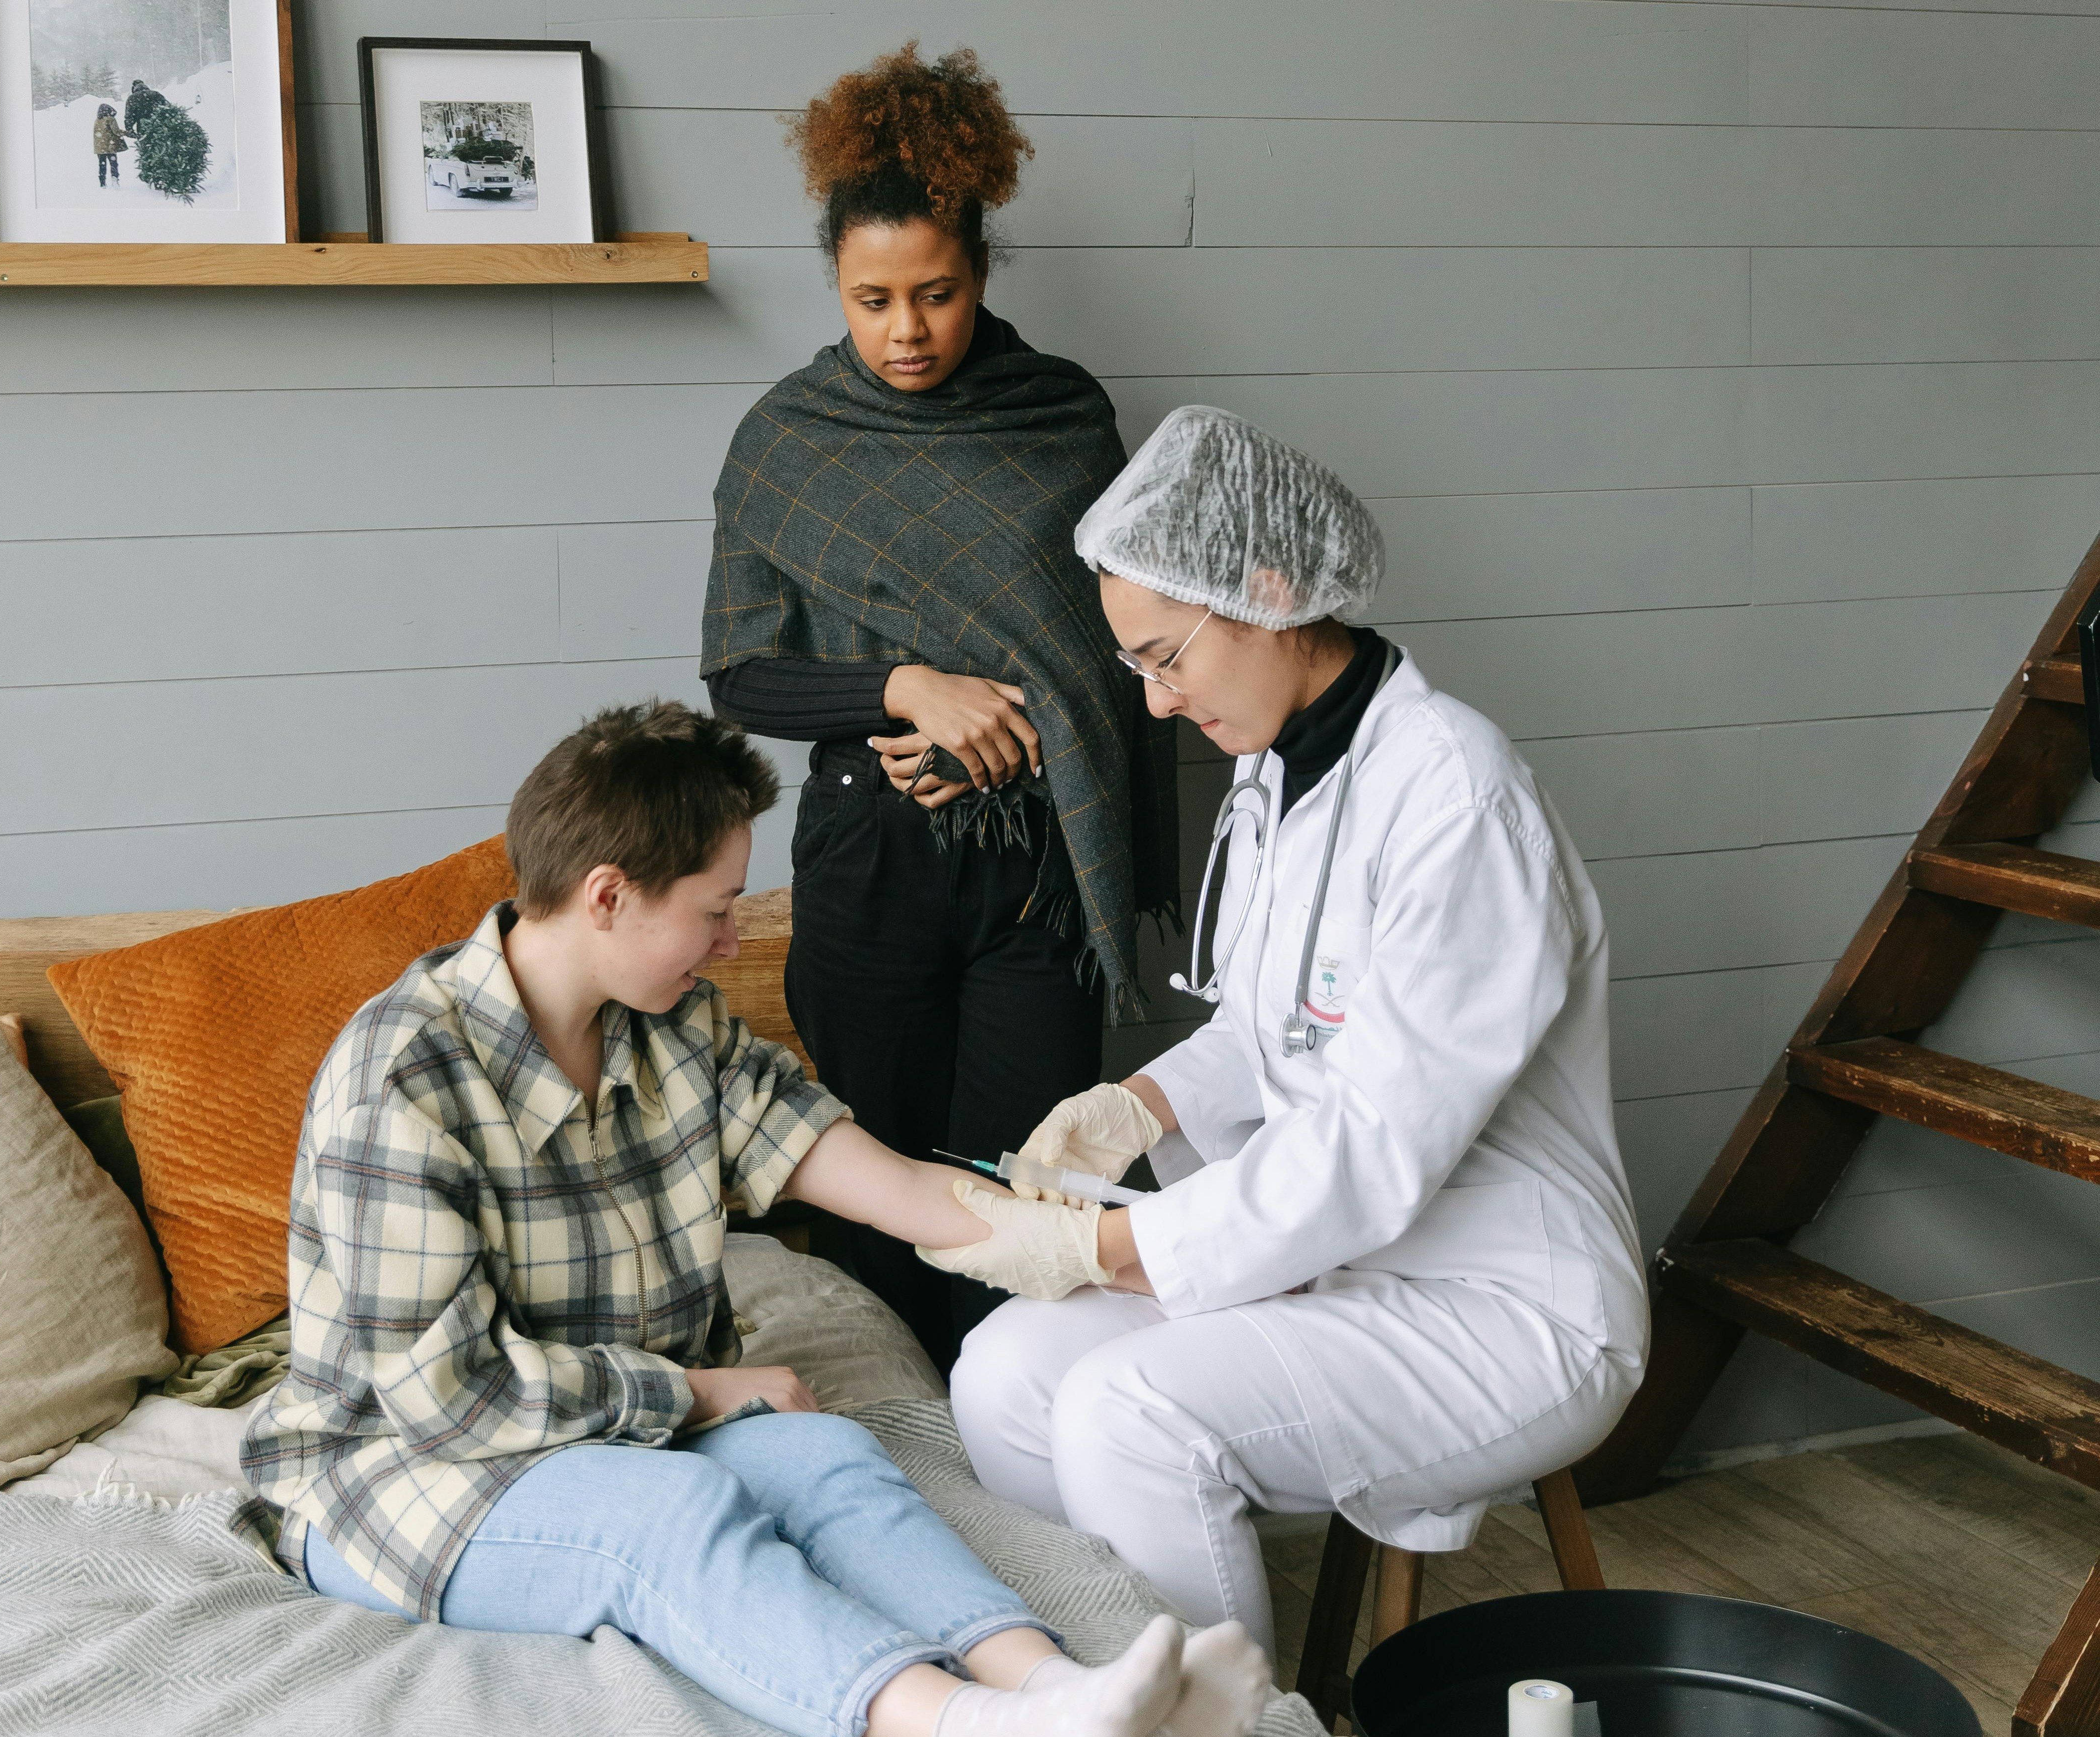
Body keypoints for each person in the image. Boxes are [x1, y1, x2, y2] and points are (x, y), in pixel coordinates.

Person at [239, 699, 1269, 1737]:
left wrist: (1105, 1245)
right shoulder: (405, 1075)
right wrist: (692, 1389)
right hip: (408, 1469)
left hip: (619, 1431)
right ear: (608, 896)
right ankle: (963, 1723)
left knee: (828, 1455)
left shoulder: (676, 1030)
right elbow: (447, 1394)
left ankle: (1054, 1686)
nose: (735, 939)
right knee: (676, 1515)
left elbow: (900, 1188)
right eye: (716, 907)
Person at [919, 409, 1651, 1660]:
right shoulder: (1278, 774)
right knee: (999, 1371)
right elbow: (1282, 1031)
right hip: (1345, 1263)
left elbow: (1374, 1139)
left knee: (1127, 1412)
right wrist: (1136, 1103)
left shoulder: (1453, 795)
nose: (1152, 705)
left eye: (1165, 658)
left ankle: (1225, 1717)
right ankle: (1112, 1692)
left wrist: (1110, 1243)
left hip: (1504, 1302)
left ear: (1264, 590)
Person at [700, 44, 1176, 1376]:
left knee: (1029, 1192)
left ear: (979, 273)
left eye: (936, 294)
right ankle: (902, 1452)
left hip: (1037, 869)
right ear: (836, 290)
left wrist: (1014, 730)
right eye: (872, 299)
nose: (905, 329)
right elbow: (739, 672)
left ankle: (1014, 1457)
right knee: (871, 1185)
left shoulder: (1064, 416)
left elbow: (1120, 651)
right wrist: (906, 689)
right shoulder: (787, 440)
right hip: (870, 859)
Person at [93, 103, 126, 187]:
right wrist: (127, 133)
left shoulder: (97, 121)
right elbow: (116, 131)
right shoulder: (110, 119)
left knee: (102, 165)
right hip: (110, 146)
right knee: (114, 164)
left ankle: (102, 183)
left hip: (100, 148)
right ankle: (115, 179)